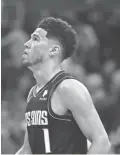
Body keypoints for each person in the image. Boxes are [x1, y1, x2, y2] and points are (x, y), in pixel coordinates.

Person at [15, 17, 111, 154]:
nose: (26, 43)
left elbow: (102, 142)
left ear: (53, 50)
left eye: (35, 39)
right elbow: (27, 150)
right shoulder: (33, 93)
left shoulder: (68, 88)